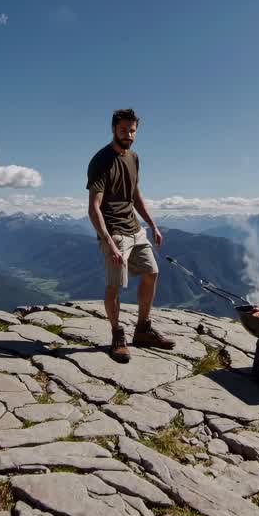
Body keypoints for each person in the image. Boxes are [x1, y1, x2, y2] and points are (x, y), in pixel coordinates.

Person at [86, 108, 175, 363]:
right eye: (124, 130)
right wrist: (107, 241)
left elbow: (135, 195)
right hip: (114, 231)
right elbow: (93, 207)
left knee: (152, 272)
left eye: (132, 130)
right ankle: (117, 335)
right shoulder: (101, 161)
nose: (129, 134)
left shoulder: (133, 157)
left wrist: (153, 225)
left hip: (135, 228)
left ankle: (143, 330)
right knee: (115, 286)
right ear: (113, 129)